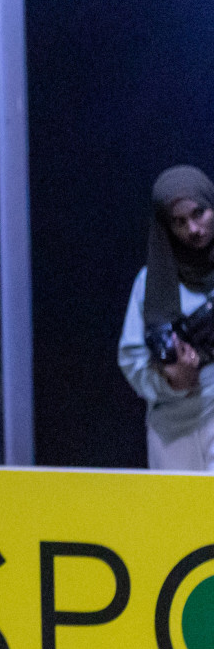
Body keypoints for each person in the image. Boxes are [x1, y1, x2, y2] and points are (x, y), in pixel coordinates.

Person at [119, 166, 214, 470]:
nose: (194, 229)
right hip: (172, 433)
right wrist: (171, 380)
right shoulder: (150, 284)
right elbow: (132, 358)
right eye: (179, 222)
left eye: (199, 213)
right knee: (177, 517)